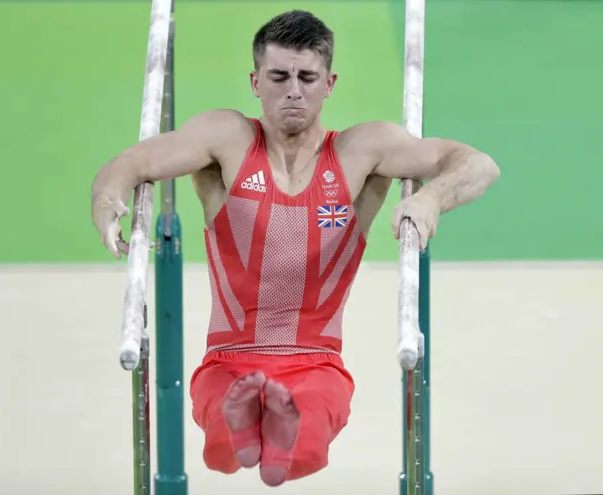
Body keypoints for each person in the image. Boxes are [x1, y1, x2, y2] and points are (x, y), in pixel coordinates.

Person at [91, 9, 500, 487]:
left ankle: (276, 427)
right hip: (228, 360)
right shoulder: (226, 137)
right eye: (279, 76)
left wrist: (432, 197)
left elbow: (478, 165)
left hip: (316, 363)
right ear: (255, 80)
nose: (293, 89)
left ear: (330, 82)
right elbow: (136, 161)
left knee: (309, 427)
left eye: (308, 77)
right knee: (223, 436)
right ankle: (250, 421)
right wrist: (107, 197)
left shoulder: (362, 149)